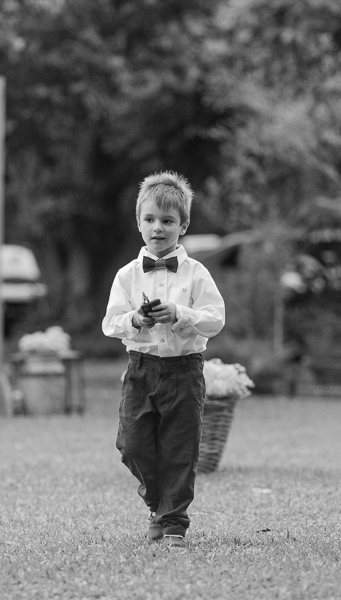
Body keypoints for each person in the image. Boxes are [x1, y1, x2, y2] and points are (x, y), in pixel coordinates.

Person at [101, 170, 225, 551]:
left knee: (180, 448)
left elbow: (216, 318)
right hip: (141, 369)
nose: (158, 228)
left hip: (184, 371)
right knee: (132, 445)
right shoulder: (126, 276)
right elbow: (110, 323)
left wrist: (180, 314)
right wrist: (135, 320)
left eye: (168, 221)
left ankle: (173, 523)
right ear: (138, 223)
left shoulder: (196, 273)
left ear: (183, 225)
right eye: (151, 219)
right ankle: (159, 504)